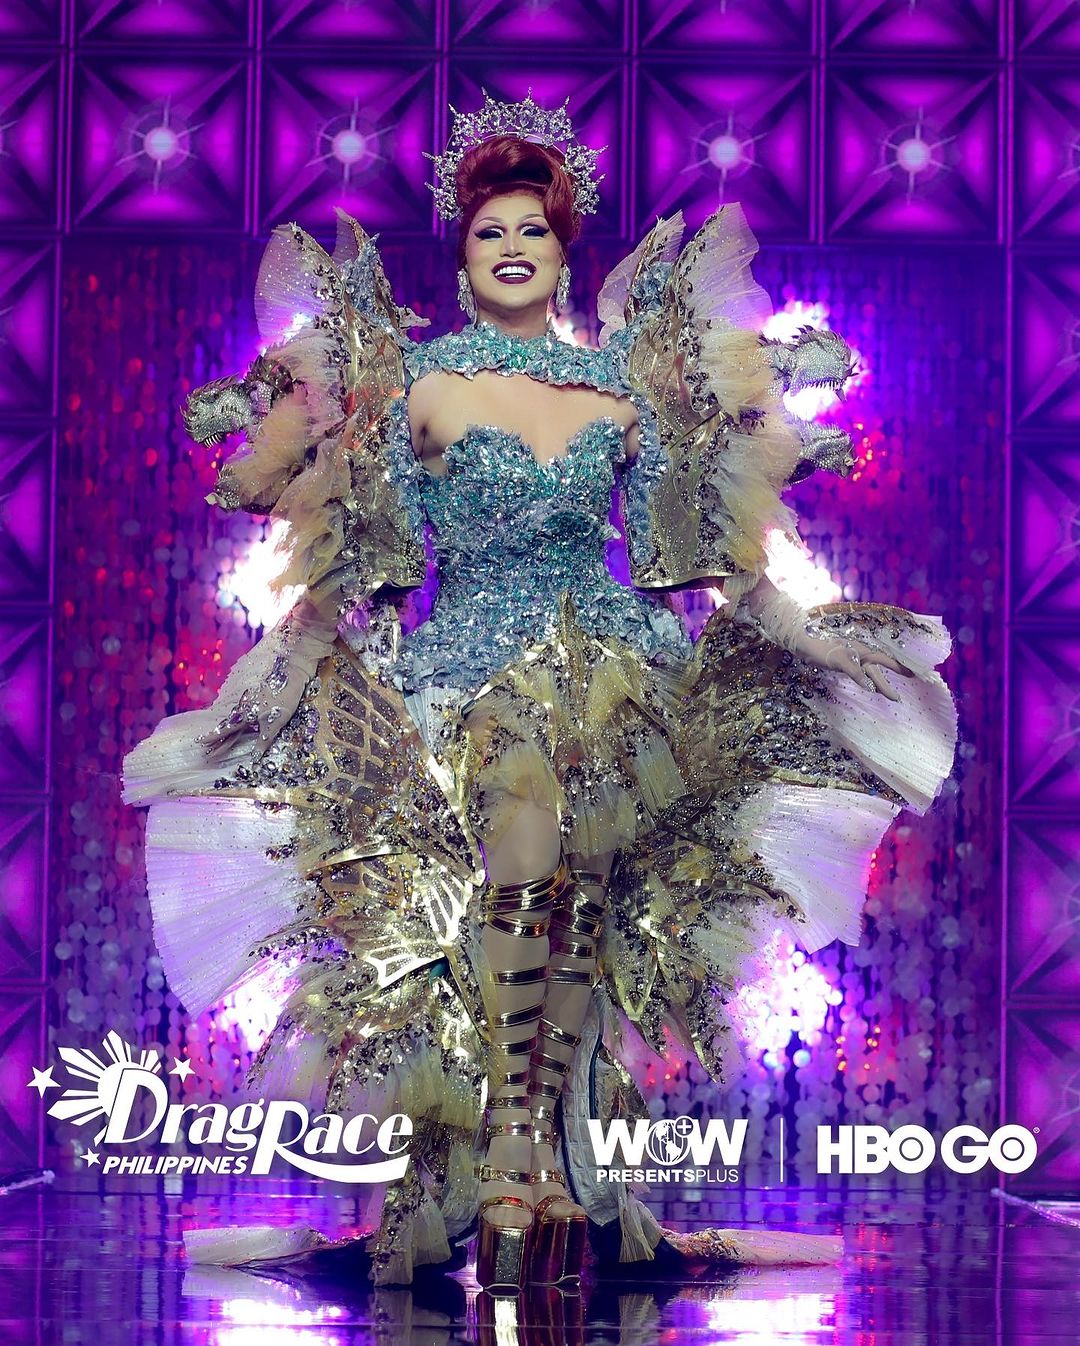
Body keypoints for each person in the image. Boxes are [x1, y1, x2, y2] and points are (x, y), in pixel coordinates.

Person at [122, 94, 956, 1293]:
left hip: (616, 671)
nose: (512, 247)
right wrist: (271, 676)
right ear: (463, 256)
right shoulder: (414, 384)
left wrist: (814, 639)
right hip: (471, 672)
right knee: (521, 854)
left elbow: (710, 555)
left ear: (563, 251)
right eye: (489, 231)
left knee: (588, 900)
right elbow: (356, 565)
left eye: (534, 229)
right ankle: (511, 1140)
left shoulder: (621, 387)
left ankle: (547, 1164)